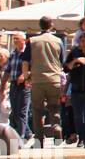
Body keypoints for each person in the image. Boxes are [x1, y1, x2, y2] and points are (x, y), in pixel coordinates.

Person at [27, 18, 65, 148]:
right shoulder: (58, 41)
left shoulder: (32, 41)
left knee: (37, 111)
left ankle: (39, 140)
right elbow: (62, 61)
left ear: (40, 25)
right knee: (54, 107)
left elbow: (25, 61)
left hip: (37, 80)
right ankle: (56, 127)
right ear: (51, 26)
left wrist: (27, 77)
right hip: (54, 79)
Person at [3, 32, 31, 142]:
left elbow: (32, 67)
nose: (15, 41)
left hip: (25, 85)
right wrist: (3, 85)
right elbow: (7, 70)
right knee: (15, 112)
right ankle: (28, 133)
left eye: (17, 39)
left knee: (22, 112)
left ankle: (21, 137)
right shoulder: (13, 54)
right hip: (14, 85)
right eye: (14, 39)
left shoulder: (28, 53)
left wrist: (24, 76)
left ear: (24, 40)